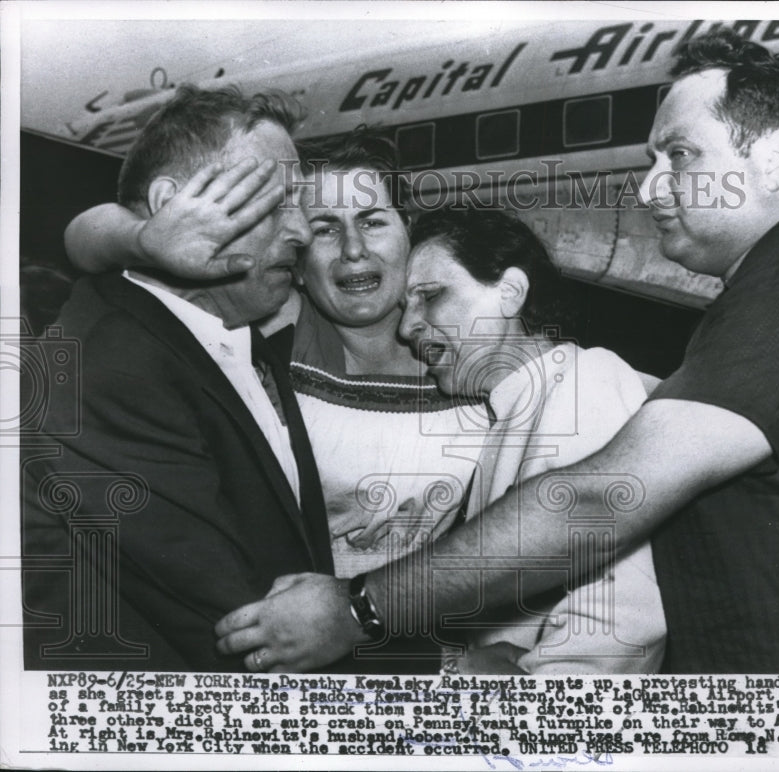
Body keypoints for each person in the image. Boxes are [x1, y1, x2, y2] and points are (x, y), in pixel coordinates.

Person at [215, 29, 779, 675]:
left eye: (678, 155)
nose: (648, 187)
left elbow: (600, 500)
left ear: (772, 160)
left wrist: (354, 612)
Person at [59, 127, 481, 672]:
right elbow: (79, 239)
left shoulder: (477, 352)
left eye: (373, 221)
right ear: (298, 253)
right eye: (325, 229)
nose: (354, 250)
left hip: (459, 653)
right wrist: (143, 237)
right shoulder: (261, 353)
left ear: (408, 235)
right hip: (328, 661)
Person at [21, 85, 333, 671]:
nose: (304, 231)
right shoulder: (111, 368)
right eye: (275, 201)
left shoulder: (232, 335)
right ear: (175, 205)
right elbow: (240, 628)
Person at [400, 208, 666, 674]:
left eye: (429, 295)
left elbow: (617, 617)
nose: (407, 327)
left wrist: (533, 698)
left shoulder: (586, 380)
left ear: (511, 292)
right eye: (406, 305)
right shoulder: (515, 410)